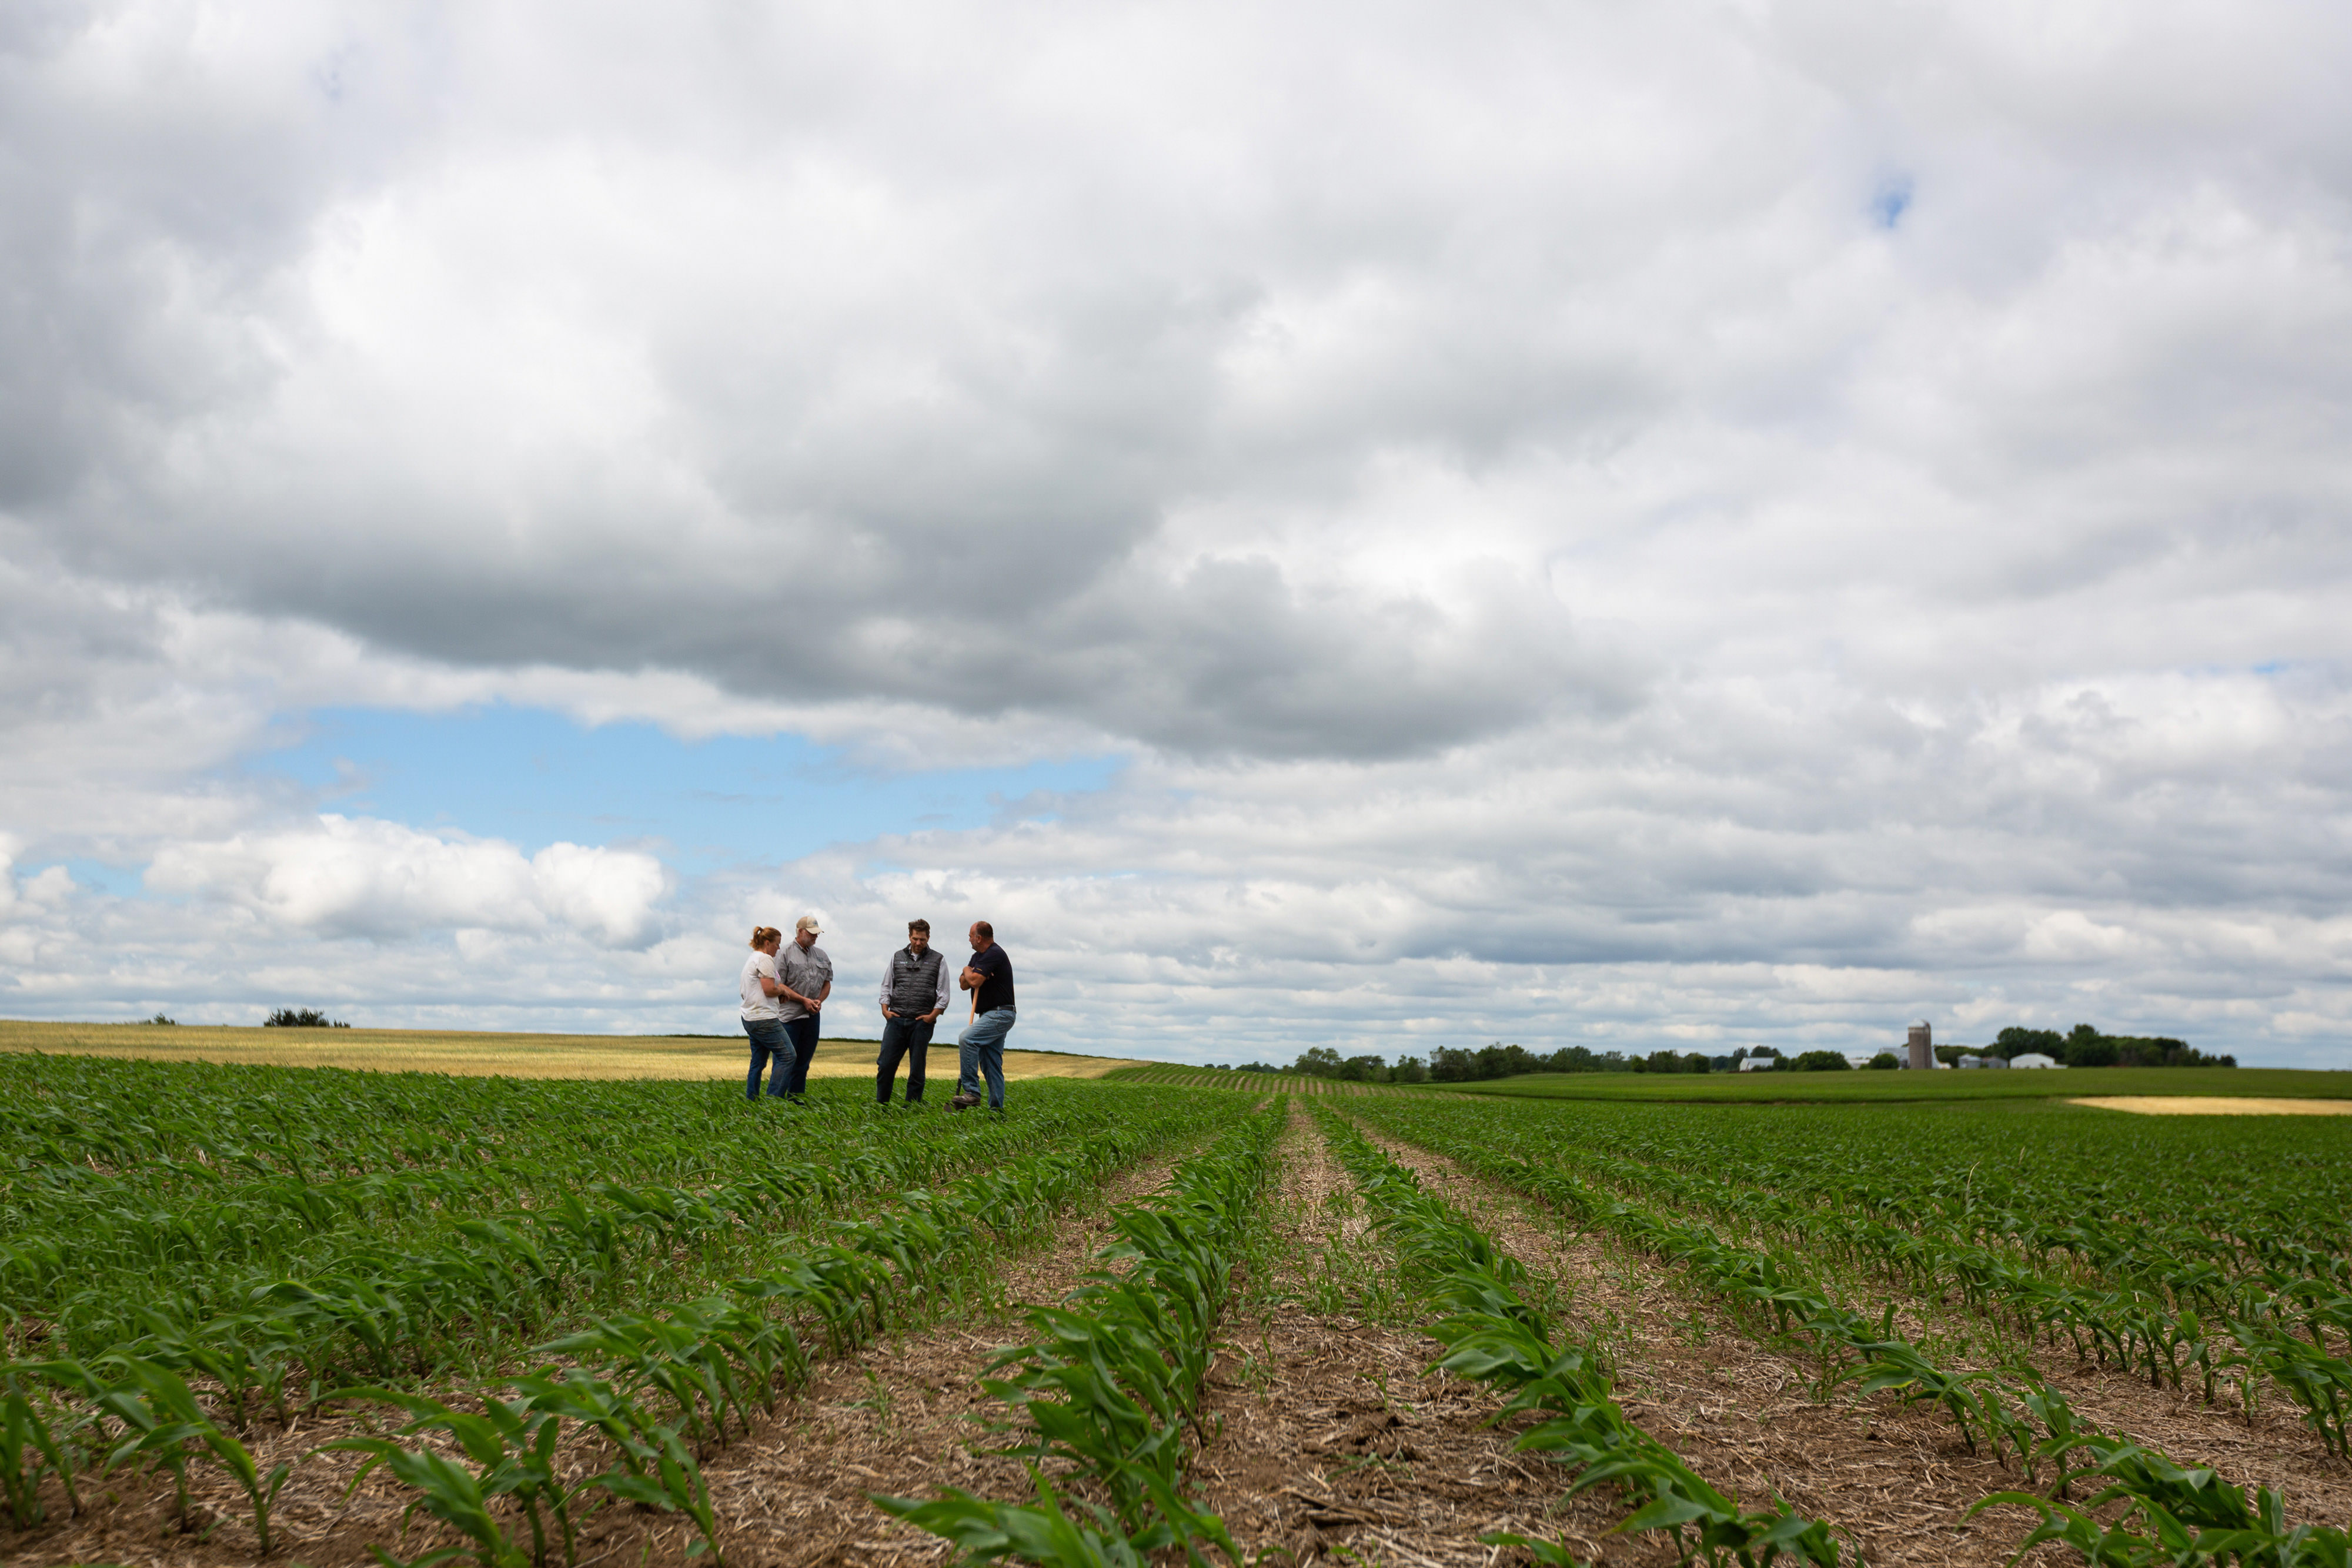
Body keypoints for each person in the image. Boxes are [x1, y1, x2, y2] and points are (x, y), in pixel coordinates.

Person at [875, 918, 950, 1105]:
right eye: (915, 939)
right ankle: (881, 1105)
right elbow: (887, 986)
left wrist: (932, 1016)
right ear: (910, 936)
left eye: (922, 940)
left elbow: (944, 993)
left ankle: (912, 1108)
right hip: (896, 1019)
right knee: (885, 1065)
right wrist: (885, 1010)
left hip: (921, 1023)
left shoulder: (938, 960)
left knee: (917, 1068)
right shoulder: (897, 957)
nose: (918, 943)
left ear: (928, 938)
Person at [950, 920, 1015, 1112]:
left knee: (967, 1039)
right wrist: (968, 972)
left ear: (979, 938)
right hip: (988, 1014)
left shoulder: (994, 953)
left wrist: (966, 970)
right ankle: (996, 1111)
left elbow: (974, 980)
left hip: (1000, 1013)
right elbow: (964, 984)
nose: (969, 939)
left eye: (971, 936)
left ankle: (972, 1092)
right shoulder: (977, 957)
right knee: (990, 1063)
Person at [775, 914, 833, 1102]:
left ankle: (795, 1101)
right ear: (800, 932)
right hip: (789, 1017)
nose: (816, 937)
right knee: (784, 1061)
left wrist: (818, 1001)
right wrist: (804, 1000)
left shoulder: (822, 955)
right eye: (812, 933)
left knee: (803, 1063)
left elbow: (827, 983)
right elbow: (779, 986)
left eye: (817, 933)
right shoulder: (784, 953)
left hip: (812, 1016)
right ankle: (776, 1101)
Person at [738, 926, 793, 1101]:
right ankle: (774, 1101)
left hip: (750, 1017)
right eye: (777, 944)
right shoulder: (765, 959)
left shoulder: (752, 959)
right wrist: (782, 993)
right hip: (765, 1019)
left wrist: (777, 995)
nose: (779, 948)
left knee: (758, 1062)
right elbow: (769, 990)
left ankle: (751, 1101)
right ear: (767, 943)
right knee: (788, 1056)